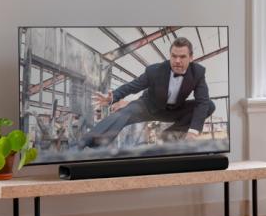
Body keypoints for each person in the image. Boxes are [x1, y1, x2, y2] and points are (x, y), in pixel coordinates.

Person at [80, 37, 216, 148]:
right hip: (147, 106)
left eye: (182, 57)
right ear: (170, 56)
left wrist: (193, 131)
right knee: (124, 113)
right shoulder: (155, 70)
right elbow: (133, 86)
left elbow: (202, 102)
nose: (177, 61)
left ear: (191, 58)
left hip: (174, 111)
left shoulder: (198, 73)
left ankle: (168, 135)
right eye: (174, 56)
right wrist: (113, 97)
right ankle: (87, 142)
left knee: (209, 105)